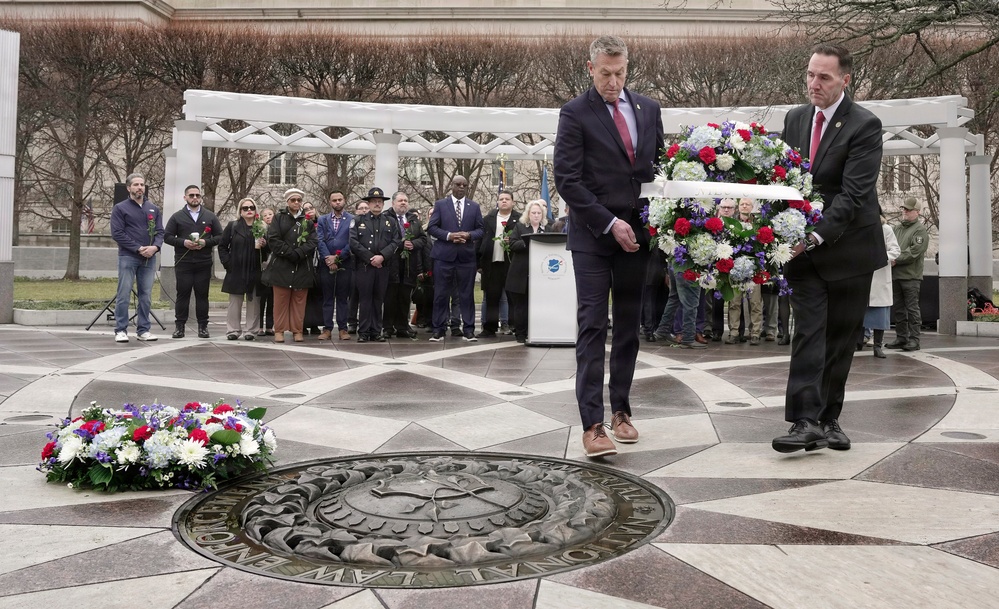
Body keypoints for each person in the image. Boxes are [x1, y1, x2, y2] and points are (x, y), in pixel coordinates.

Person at [553, 35, 664, 458]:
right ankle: (592, 424)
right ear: (590, 67)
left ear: (627, 67)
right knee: (593, 325)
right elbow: (568, 179)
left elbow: (658, 169)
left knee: (630, 328)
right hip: (593, 236)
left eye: (619, 73)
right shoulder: (575, 113)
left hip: (638, 238)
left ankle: (621, 411)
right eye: (605, 74)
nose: (613, 82)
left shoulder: (649, 108)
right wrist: (610, 222)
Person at [774, 43, 886, 453]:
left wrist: (813, 236)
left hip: (849, 249)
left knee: (841, 338)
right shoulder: (795, 118)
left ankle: (829, 419)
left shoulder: (865, 125)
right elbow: (786, 182)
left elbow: (853, 196)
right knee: (808, 333)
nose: (813, 84)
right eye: (809, 74)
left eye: (823, 77)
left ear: (845, 80)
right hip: (803, 254)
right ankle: (804, 421)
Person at [427, 175, 484, 342]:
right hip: (444, 257)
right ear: (451, 186)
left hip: (466, 258)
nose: (461, 187)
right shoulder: (441, 205)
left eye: (464, 185)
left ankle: (468, 330)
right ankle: (438, 329)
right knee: (441, 294)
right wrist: (449, 235)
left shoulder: (474, 207)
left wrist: (468, 235)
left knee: (466, 295)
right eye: (458, 184)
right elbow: (432, 227)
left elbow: (480, 230)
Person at [109, 173, 164, 343]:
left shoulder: (153, 208)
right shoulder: (120, 208)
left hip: (149, 259)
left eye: (142, 184)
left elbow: (160, 232)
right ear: (128, 188)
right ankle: (121, 329)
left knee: (145, 295)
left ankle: (143, 330)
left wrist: (155, 247)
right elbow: (117, 233)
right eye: (136, 185)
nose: (140, 187)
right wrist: (138, 248)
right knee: (124, 293)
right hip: (128, 257)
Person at [164, 184, 223, 339]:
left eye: (197, 195)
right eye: (191, 195)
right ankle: (180, 327)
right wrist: (183, 242)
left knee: (202, 295)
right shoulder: (177, 216)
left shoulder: (209, 216)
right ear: (185, 198)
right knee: (182, 294)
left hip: (203, 262)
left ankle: (203, 327)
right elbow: (167, 236)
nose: (195, 198)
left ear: (201, 197)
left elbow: (220, 236)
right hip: (184, 262)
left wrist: (206, 243)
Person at [265, 188, 317, 343]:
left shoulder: (307, 220)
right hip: (282, 265)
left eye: (299, 200)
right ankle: (279, 330)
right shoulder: (279, 218)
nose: (296, 202)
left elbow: (313, 241)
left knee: (299, 301)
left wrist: (299, 253)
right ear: (287, 201)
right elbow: (273, 239)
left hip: (302, 266)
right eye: (293, 200)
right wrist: (290, 253)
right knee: (280, 300)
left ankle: (297, 330)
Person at [349, 187, 401, 343]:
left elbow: (396, 241)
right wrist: (371, 258)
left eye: (380, 202)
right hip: (364, 267)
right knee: (365, 300)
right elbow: (353, 242)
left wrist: (382, 256)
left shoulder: (391, 221)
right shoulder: (358, 220)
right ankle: (364, 331)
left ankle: (376, 331)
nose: (377, 204)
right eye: (374, 202)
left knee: (378, 300)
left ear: (383, 204)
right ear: (369, 203)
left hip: (383, 267)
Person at [218, 198, 267, 340]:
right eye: (245, 208)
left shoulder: (262, 227)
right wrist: (228, 264)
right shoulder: (233, 226)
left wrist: (265, 244)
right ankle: (233, 330)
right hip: (236, 269)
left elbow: (268, 250)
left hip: (255, 269)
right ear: (240, 211)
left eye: (251, 207)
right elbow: (222, 246)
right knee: (235, 302)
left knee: (254, 301)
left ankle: (251, 330)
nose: (249, 210)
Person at [887, 197, 930, 352]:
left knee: (912, 309)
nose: (904, 211)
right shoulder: (897, 229)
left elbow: (914, 252)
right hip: (896, 275)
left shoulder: (920, 230)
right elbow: (890, 246)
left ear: (917, 212)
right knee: (898, 309)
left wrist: (895, 259)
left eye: (908, 209)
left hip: (911, 276)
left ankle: (914, 340)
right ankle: (901, 337)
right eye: (904, 208)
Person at [477, 190, 521, 338]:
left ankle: (515, 326)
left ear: (512, 202)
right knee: (491, 297)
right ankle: (489, 328)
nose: (504, 201)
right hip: (492, 263)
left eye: (507, 199)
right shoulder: (488, 218)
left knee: (512, 297)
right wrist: (479, 261)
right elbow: (480, 240)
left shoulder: (519, 219)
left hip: (511, 264)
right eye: (501, 199)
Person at [383, 191, 426, 338]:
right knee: (390, 297)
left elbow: (423, 239)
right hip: (391, 263)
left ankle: (402, 326)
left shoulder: (413, 220)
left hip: (408, 264)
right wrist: (400, 244)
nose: (403, 203)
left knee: (404, 297)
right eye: (400, 200)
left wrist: (413, 244)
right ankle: (388, 327)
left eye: (406, 201)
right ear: (393, 203)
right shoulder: (385, 217)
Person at [505, 200, 547, 343]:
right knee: (521, 306)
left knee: (539, 305)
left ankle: (537, 331)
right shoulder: (520, 226)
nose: (536, 215)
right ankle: (521, 334)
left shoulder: (548, 228)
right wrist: (529, 242)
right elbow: (512, 243)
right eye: (533, 213)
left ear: (543, 215)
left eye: (538, 213)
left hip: (541, 275)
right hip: (521, 273)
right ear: (528, 214)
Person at [316, 190, 353, 341]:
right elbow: (319, 240)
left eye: (340, 199)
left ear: (344, 200)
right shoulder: (323, 220)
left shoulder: (352, 219)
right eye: (334, 200)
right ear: (330, 202)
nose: (337, 202)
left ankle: (343, 328)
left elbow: (353, 241)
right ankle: (327, 328)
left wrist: (337, 258)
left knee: (343, 297)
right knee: (327, 297)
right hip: (326, 264)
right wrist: (328, 258)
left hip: (345, 262)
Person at [862, 214, 901, 358]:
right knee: (858, 312)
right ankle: (857, 342)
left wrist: (879, 257)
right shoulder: (859, 229)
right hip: (861, 276)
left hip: (879, 276)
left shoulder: (886, 229)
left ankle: (877, 346)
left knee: (879, 313)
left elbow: (895, 250)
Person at [726, 198, 764, 346]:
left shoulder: (758, 224)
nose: (744, 206)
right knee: (734, 302)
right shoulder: (730, 223)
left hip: (753, 269)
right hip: (736, 268)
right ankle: (734, 332)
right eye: (742, 204)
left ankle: (755, 333)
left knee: (755, 302)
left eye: (747, 204)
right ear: (738, 207)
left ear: (752, 207)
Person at [301, 201, 324, 336]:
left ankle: (315, 324)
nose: (309, 210)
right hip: (306, 264)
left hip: (319, 264)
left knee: (317, 296)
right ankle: (303, 324)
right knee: (305, 296)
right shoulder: (303, 226)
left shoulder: (321, 224)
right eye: (306, 209)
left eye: (311, 208)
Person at [346, 199, 369, 335]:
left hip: (369, 263)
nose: (364, 210)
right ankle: (352, 323)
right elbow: (351, 242)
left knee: (367, 297)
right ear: (356, 211)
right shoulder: (353, 223)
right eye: (361, 208)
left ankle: (366, 322)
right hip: (354, 262)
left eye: (366, 208)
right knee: (353, 296)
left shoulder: (373, 223)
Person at [257, 207, 276, 336]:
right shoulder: (259, 230)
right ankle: (259, 326)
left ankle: (270, 325)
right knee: (261, 299)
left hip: (275, 269)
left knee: (272, 299)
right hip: (262, 268)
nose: (268, 217)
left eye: (270, 214)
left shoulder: (277, 230)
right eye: (265, 215)